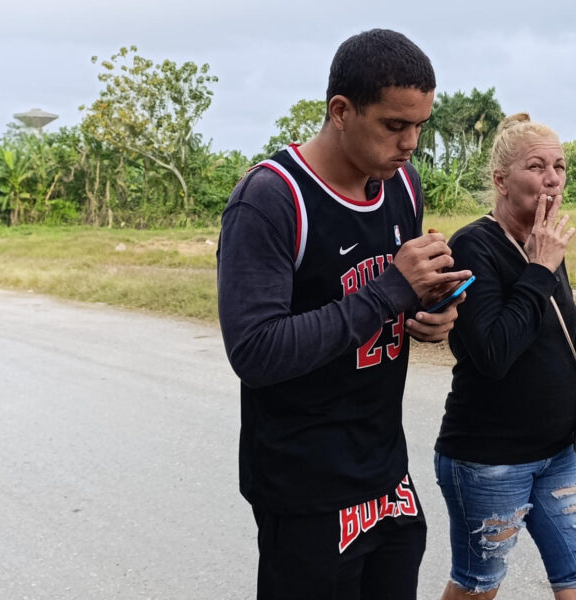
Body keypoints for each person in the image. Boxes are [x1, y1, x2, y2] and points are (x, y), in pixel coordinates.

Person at [217, 29, 471, 600]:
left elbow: (396, 298)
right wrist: (389, 291)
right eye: (393, 125)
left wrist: (432, 311)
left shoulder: (402, 186)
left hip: (385, 469)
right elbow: (255, 352)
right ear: (340, 110)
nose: (410, 143)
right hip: (303, 483)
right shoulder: (272, 199)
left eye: (420, 125)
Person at [433, 113, 576, 599]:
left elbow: (551, 341)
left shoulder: (546, 244)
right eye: (536, 166)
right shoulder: (473, 246)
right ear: (501, 180)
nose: (552, 178)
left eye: (560, 166)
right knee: (476, 588)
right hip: (488, 459)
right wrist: (539, 267)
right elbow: (493, 354)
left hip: (557, 454)